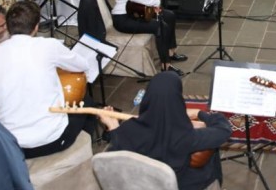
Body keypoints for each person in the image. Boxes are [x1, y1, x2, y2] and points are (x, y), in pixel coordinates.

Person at [0, 1, 93, 158]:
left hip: (12, 145)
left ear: (8, 26)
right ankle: (87, 153)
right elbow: (81, 65)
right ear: (36, 27)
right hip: (53, 139)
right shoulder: (49, 46)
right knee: (85, 100)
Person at [99, 72, 231, 190]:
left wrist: (112, 125)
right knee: (212, 156)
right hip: (183, 184)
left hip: (146, 183)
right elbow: (224, 129)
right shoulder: (187, 137)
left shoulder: (128, 130)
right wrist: (200, 112)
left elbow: (118, 148)